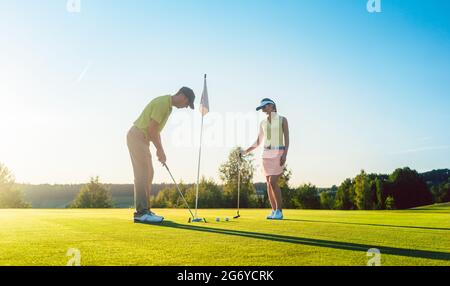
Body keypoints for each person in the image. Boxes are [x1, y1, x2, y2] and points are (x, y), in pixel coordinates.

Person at [127, 87, 195, 223]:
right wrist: (160, 150)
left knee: (148, 173)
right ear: (182, 96)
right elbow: (152, 130)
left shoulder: (168, 107)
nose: (186, 107)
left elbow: (156, 132)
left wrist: (160, 150)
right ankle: (141, 213)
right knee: (143, 173)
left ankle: (145, 210)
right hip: (137, 136)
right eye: (187, 103)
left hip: (141, 139)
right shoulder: (163, 104)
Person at [242, 98, 289, 220]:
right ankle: (274, 211)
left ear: (272, 106)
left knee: (273, 182)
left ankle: (279, 211)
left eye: (264, 107)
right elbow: (258, 141)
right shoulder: (262, 123)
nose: (262, 109)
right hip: (266, 153)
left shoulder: (282, 120)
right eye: (261, 108)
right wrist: (245, 151)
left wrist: (285, 154)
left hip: (278, 151)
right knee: (268, 184)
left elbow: (287, 139)